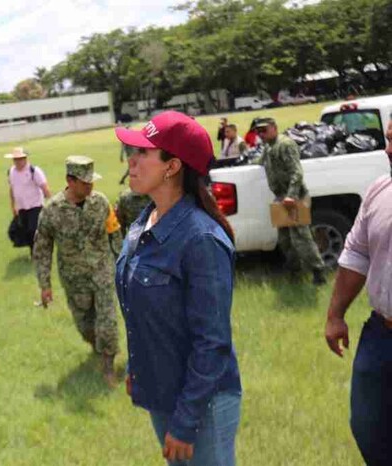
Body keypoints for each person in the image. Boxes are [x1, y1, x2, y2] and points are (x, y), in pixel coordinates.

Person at [114, 111, 242, 466]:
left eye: (142, 154)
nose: (132, 162)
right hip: (164, 391)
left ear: (172, 167)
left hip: (202, 402)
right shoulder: (144, 222)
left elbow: (212, 342)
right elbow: (143, 310)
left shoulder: (201, 239)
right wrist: (137, 371)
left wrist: (186, 422)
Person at [324, 119, 392, 466]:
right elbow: (356, 254)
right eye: (390, 139)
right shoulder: (381, 190)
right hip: (383, 333)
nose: (389, 150)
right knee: (369, 426)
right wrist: (336, 314)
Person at [33, 155, 123, 387]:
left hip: (102, 271)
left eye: (91, 181)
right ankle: (95, 344)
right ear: (70, 181)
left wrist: (123, 265)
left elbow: (114, 234)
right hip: (74, 278)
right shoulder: (52, 210)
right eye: (85, 182)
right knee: (85, 325)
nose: (90, 186)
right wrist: (45, 285)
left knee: (108, 321)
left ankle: (108, 366)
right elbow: (42, 249)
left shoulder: (101, 202)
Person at [253, 117, 327, 285]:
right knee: (285, 240)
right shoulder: (268, 147)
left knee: (301, 237)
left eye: (264, 130)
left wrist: (291, 196)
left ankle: (318, 272)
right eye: (258, 131)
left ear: (274, 128)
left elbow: (296, 172)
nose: (261, 134)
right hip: (280, 196)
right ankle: (295, 273)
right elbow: (259, 162)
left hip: (293, 196)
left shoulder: (285, 144)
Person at [5, 147, 51, 253]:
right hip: (22, 208)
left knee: (32, 230)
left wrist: (50, 203)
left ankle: (38, 252)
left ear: (25, 159)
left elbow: (44, 187)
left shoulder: (34, 171)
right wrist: (13, 206)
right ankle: (35, 250)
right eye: (16, 159)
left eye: (20, 159)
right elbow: (12, 189)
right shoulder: (11, 172)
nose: (18, 162)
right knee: (19, 231)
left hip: (35, 206)